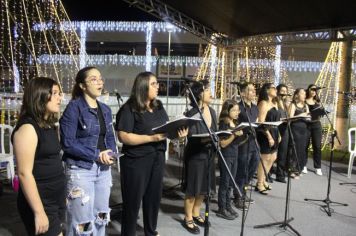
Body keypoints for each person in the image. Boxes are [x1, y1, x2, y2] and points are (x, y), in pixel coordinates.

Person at [116, 71, 188, 236]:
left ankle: (150, 231)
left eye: (157, 83)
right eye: (154, 84)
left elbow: (165, 130)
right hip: (136, 161)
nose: (158, 87)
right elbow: (124, 136)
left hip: (157, 158)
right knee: (132, 203)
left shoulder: (158, 106)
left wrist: (177, 134)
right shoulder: (130, 108)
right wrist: (151, 138)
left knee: (153, 199)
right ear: (143, 86)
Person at [60, 66, 117, 236]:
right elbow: (67, 143)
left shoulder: (105, 109)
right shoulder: (74, 108)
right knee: (82, 223)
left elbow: (110, 138)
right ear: (82, 85)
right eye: (93, 79)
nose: (99, 82)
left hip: (103, 170)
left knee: (101, 216)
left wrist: (112, 154)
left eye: (100, 78)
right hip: (81, 170)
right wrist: (95, 155)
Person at [12, 77, 65, 236]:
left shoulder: (47, 124)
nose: (59, 98)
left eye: (59, 93)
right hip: (41, 202)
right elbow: (24, 173)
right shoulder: (28, 127)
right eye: (54, 93)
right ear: (40, 96)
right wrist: (39, 212)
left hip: (54, 200)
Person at [183, 79, 217, 234]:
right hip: (196, 154)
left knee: (204, 188)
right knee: (193, 188)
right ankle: (188, 217)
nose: (211, 93)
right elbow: (190, 136)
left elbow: (215, 131)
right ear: (199, 94)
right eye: (208, 90)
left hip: (209, 154)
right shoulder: (191, 113)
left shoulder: (212, 111)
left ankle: (196, 212)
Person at [234, 82, 259, 208]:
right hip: (243, 143)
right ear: (243, 93)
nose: (254, 92)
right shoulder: (238, 108)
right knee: (242, 171)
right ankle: (237, 196)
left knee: (252, 169)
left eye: (254, 90)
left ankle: (243, 192)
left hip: (254, 143)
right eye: (250, 90)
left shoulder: (255, 108)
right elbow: (234, 125)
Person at [217, 99, 243, 220]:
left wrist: (244, 134)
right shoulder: (224, 124)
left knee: (231, 183)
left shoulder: (236, 123)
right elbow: (222, 144)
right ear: (227, 111)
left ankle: (228, 205)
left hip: (235, 155)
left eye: (238, 110)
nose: (237, 112)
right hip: (226, 155)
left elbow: (237, 142)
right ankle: (222, 208)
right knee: (225, 182)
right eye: (234, 110)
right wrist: (234, 135)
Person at [255, 83, 280, 195]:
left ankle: (264, 179)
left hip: (274, 131)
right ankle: (259, 183)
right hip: (265, 133)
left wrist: (278, 134)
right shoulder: (263, 103)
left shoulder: (274, 103)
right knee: (265, 157)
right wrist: (269, 136)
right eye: (273, 88)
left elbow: (277, 121)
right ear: (267, 90)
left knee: (273, 157)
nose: (276, 90)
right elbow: (261, 122)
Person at [288, 88, 310, 177]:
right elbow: (290, 118)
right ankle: (291, 170)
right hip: (295, 129)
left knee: (301, 150)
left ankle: (298, 169)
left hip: (304, 129)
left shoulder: (306, 105)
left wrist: (309, 117)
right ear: (297, 95)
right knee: (294, 150)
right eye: (302, 93)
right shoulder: (293, 105)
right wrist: (301, 115)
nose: (304, 95)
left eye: (305, 94)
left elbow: (308, 116)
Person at [305, 84, 323, 176]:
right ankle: (304, 165)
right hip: (307, 125)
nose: (313, 91)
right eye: (312, 89)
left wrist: (321, 110)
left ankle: (318, 167)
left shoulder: (318, 101)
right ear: (308, 90)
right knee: (305, 145)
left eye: (315, 90)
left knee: (317, 146)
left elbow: (320, 114)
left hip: (316, 124)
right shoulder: (305, 101)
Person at [275, 84, 290, 183]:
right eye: (282, 91)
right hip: (277, 129)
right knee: (272, 153)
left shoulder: (285, 103)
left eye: (286, 91)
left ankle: (280, 174)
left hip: (285, 130)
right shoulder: (275, 102)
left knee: (283, 153)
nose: (284, 93)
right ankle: (266, 174)